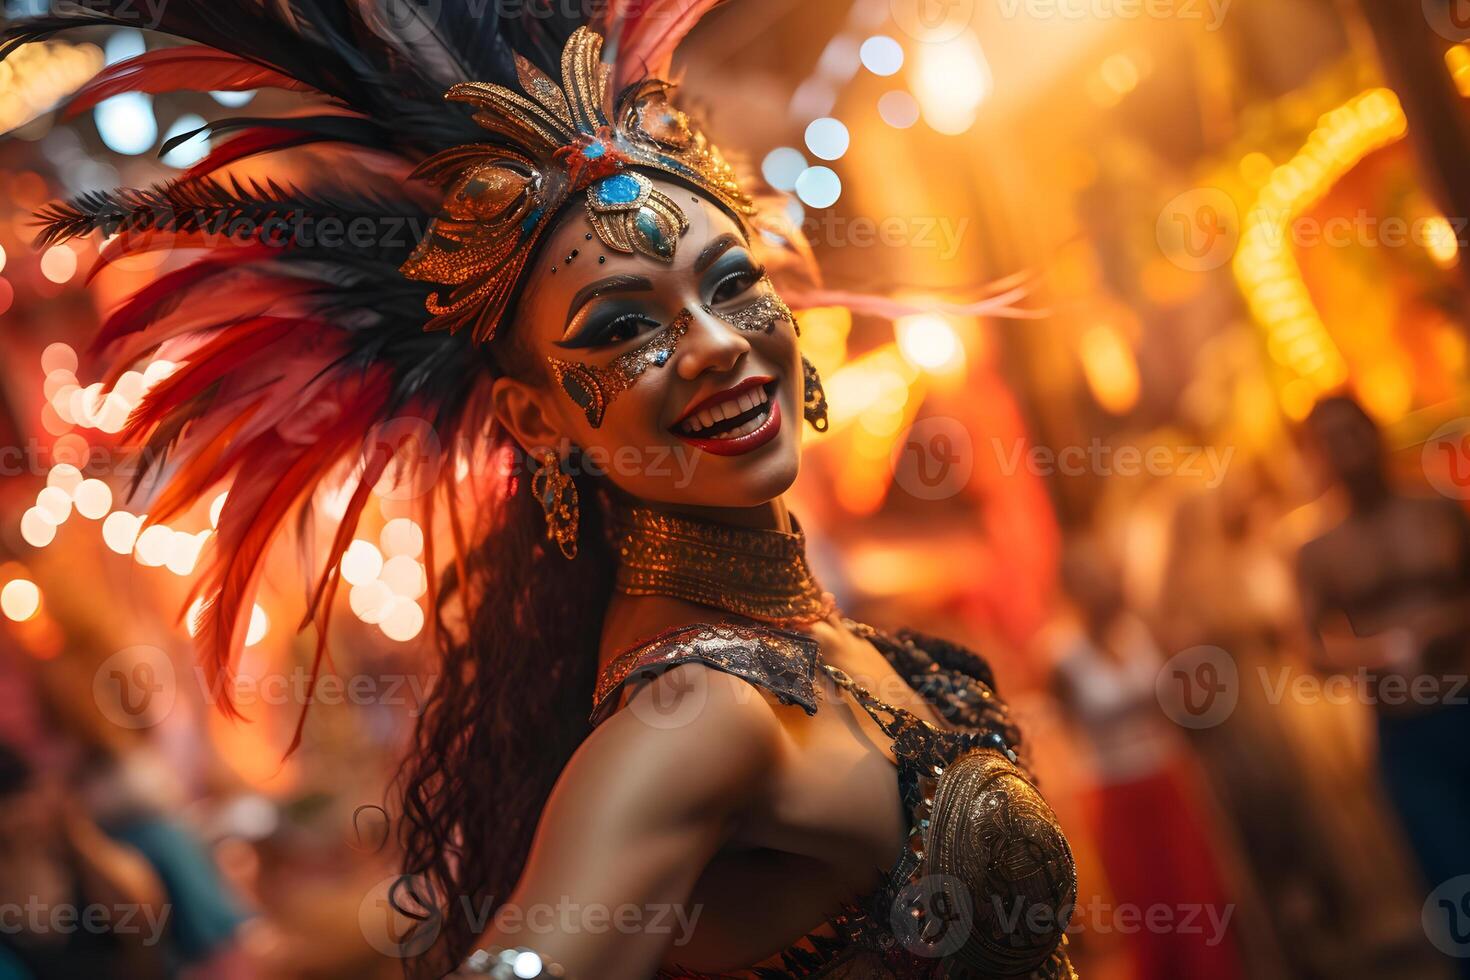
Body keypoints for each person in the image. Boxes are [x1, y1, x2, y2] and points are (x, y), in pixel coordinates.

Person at [2, 4, 1076, 979]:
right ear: (534, 419)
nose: (711, 346)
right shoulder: (698, 714)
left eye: (731, 282)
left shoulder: (793, 640)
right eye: (623, 327)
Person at [1296, 394, 1470, 977]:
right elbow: (1311, 649)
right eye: (1331, 442)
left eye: (1354, 434)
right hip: (1402, 733)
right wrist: (1379, 652)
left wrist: (1434, 631)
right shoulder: (1316, 550)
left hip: (1464, 701)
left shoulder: (1438, 510)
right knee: (1451, 873)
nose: (1348, 451)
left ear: (1375, 434)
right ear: (1319, 457)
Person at [0, 743, 168, 980]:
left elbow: (147, 922)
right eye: (9, 807)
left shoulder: (78, 857)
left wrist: (76, 832)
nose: (20, 817)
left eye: (25, 799)